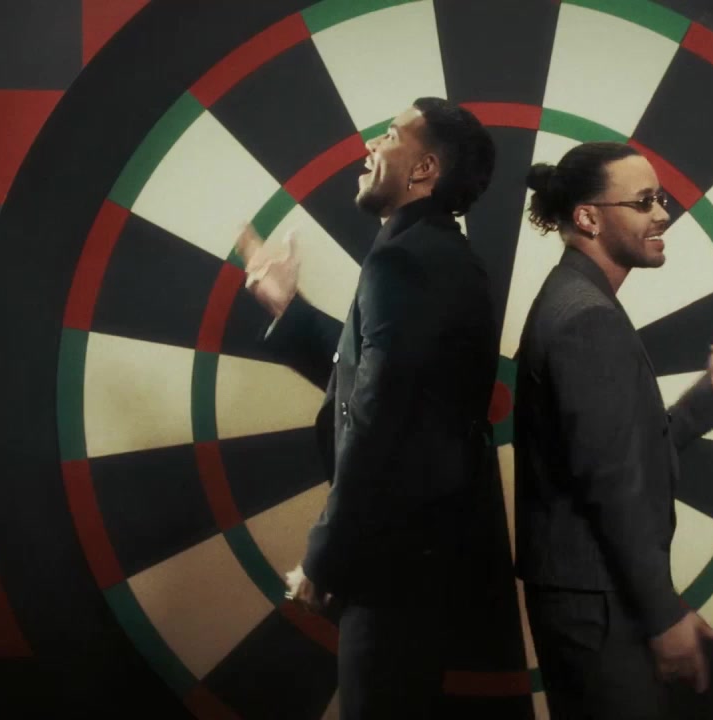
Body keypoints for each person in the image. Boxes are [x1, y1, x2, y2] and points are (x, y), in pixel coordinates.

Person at [236, 97, 497, 718]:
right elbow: (386, 377)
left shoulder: (403, 259)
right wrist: (288, 309)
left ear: (424, 168)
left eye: (389, 135)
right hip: (420, 558)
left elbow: (378, 416)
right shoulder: (439, 254)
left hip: (391, 563)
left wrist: (325, 553)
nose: (369, 145)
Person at [514, 141, 713, 719]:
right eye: (644, 201)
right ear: (588, 218)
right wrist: (662, 614)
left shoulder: (575, 299)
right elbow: (614, 486)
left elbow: (618, 454)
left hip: (589, 598)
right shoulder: (587, 317)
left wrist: (710, 395)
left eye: (661, 199)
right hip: (599, 605)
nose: (663, 215)